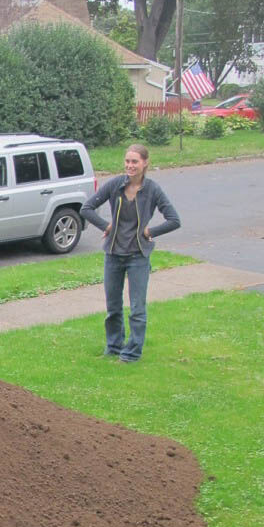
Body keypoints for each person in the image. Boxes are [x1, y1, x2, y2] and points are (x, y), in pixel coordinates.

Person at [80, 144, 180, 363]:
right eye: (127, 161)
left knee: (137, 309)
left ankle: (132, 353)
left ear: (145, 163)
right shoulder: (116, 185)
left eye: (134, 162)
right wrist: (105, 226)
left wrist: (150, 231)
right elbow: (86, 208)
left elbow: (174, 220)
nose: (130, 166)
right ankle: (114, 346)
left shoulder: (152, 190)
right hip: (113, 254)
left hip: (137, 257)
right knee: (113, 307)